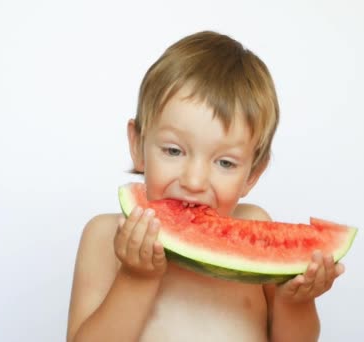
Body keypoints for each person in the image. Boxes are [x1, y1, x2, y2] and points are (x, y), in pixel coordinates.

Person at [66, 31, 345, 342]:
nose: (194, 181)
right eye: (173, 151)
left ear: (252, 174)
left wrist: (296, 302)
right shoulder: (104, 236)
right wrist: (135, 278)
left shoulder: (255, 222)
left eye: (225, 163)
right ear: (138, 145)